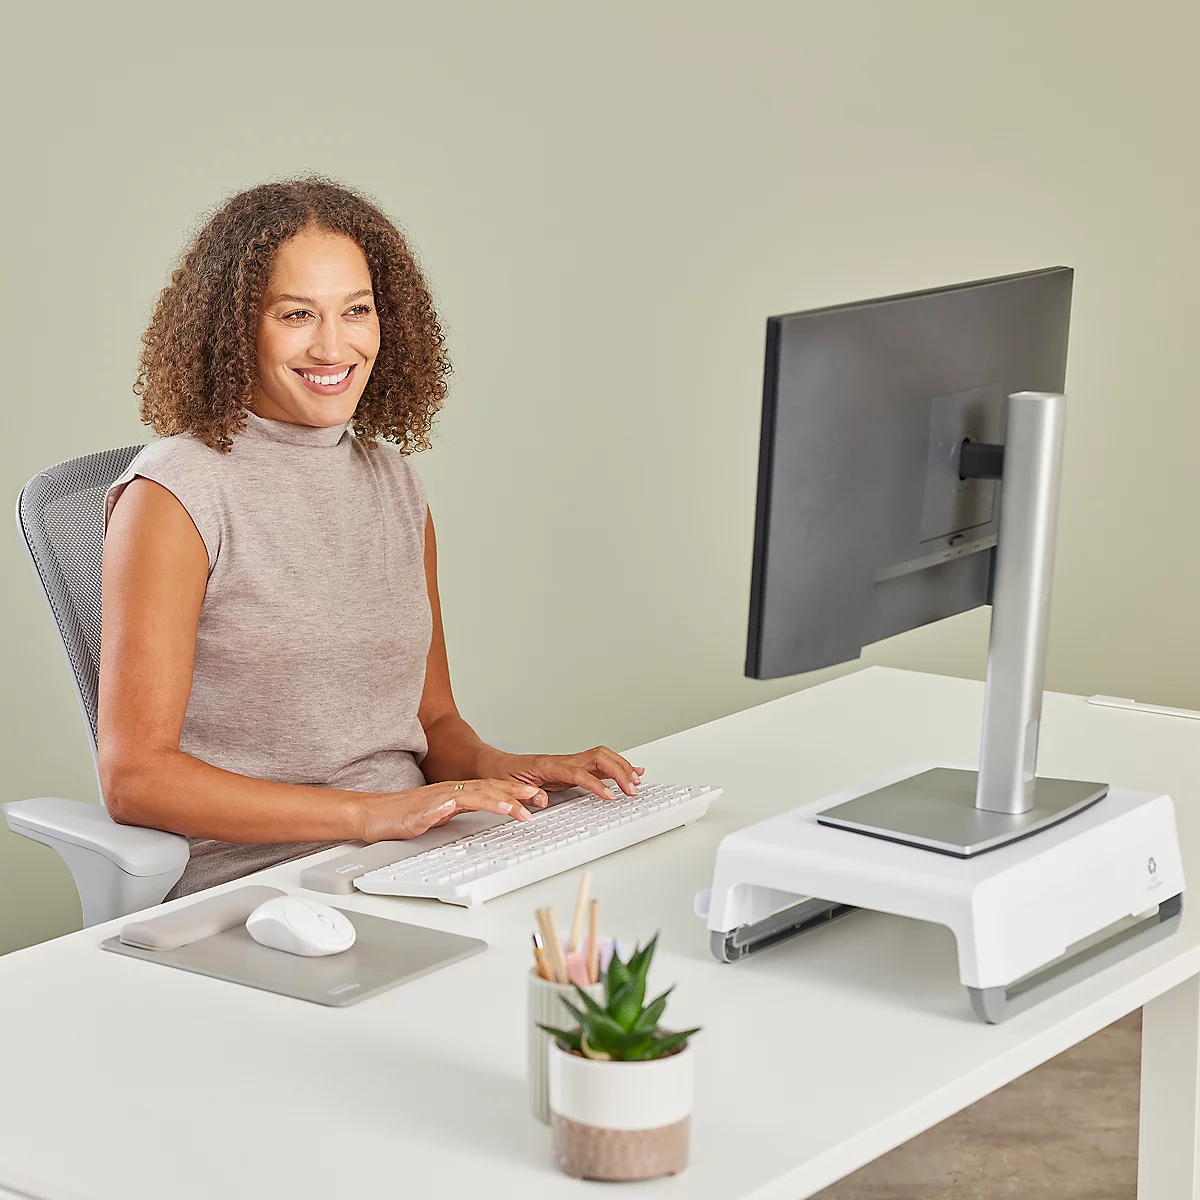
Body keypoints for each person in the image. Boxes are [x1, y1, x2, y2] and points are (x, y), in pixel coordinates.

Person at [99, 176, 642, 899]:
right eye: (296, 315)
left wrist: (502, 767)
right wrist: (372, 814)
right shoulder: (175, 495)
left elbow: (432, 720)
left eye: (356, 310)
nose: (334, 346)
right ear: (233, 329)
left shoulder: (392, 481)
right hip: (267, 884)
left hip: (416, 851)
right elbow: (137, 780)